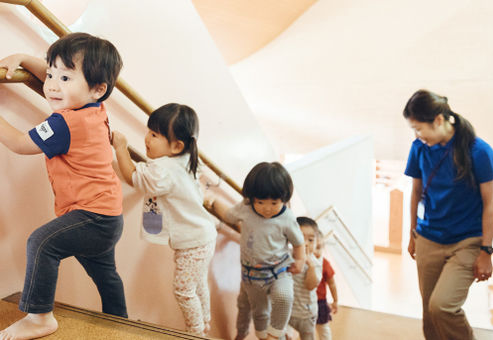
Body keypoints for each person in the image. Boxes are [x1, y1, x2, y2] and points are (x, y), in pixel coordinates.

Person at [0, 32, 126, 340]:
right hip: (109, 214)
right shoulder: (94, 108)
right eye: (51, 72)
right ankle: (121, 322)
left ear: (98, 88)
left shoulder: (63, 124)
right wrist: (24, 59)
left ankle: (39, 317)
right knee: (106, 275)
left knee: (41, 243)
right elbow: (58, 81)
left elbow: (18, 143)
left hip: (92, 217)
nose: (52, 85)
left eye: (65, 77)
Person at [112, 103, 217, 336]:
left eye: (155, 135)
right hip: (204, 236)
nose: (147, 139)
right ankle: (205, 320)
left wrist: (121, 148)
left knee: (183, 290)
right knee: (197, 283)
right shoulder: (188, 158)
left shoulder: (163, 170)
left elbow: (132, 177)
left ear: (177, 145)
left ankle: (196, 331)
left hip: (193, 243)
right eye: (149, 132)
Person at [403, 89, 493, 340]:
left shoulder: (479, 151)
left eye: (419, 128)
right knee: (429, 312)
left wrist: (486, 250)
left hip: (467, 241)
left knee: (442, 306)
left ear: (438, 120)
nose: (417, 135)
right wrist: (412, 233)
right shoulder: (419, 149)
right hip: (429, 238)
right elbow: (415, 192)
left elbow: (490, 203)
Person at [206, 161, 305, 340]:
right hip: (252, 275)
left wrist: (299, 260)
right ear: (251, 198)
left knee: (284, 297)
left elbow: (299, 243)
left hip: (279, 270)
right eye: (260, 202)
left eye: (274, 203)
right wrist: (213, 201)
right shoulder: (246, 208)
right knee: (259, 311)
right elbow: (228, 215)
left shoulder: (287, 218)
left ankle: (276, 334)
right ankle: (262, 335)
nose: (267, 208)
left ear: (284, 199)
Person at [287, 217, 322, 340]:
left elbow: (311, 285)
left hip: (306, 314)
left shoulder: (315, 263)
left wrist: (310, 265)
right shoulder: (287, 256)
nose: (306, 243)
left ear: (317, 242)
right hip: (287, 311)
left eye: (311, 240)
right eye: (300, 238)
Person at [314, 231, 338, 340]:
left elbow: (332, 283)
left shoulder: (324, 264)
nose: (314, 251)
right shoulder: (300, 263)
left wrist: (335, 300)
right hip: (302, 303)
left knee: (323, 329)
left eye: (318, 247)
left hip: (319, 302)